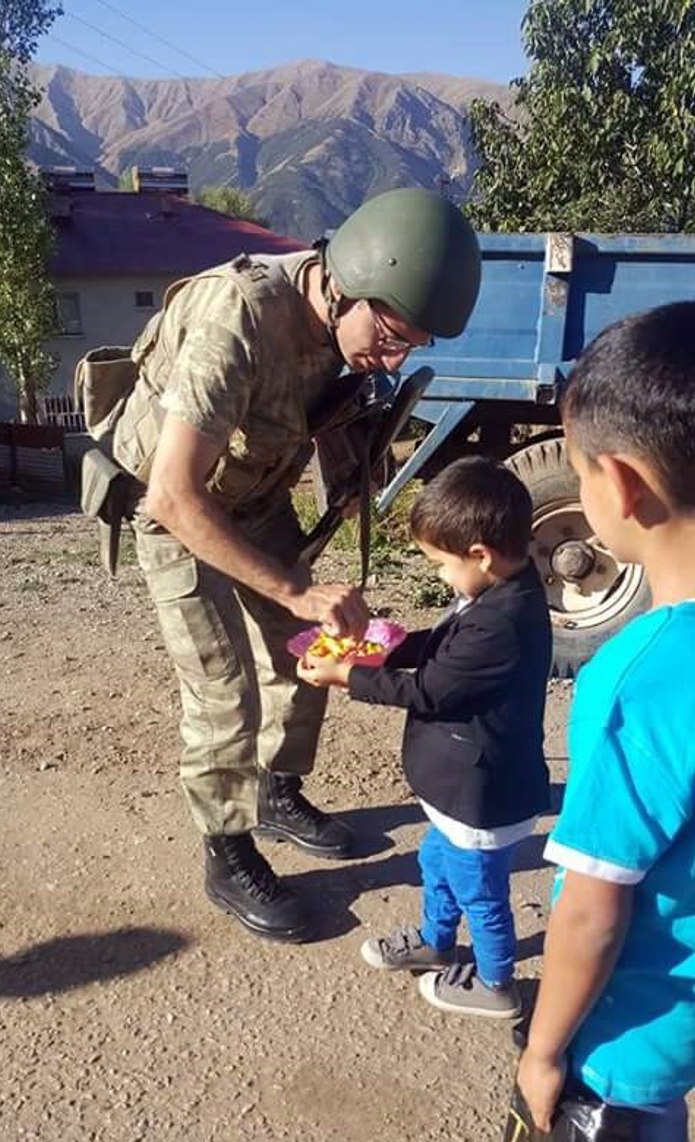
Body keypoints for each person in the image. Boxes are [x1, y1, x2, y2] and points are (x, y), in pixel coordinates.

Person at [107, 187, 482, 944]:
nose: (394, 355)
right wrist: (293, 587)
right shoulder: (236, 319)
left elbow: (317, 416)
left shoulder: (347, 326)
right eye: (389, 333)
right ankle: (227, 849)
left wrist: (348, 480)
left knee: (312, 649)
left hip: (256, 500)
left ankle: (277, 792)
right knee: (224, 690)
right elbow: (174, 494)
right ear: (345, 282)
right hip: (176, 511)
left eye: (412, 345)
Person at [517, 302, 695, 1140]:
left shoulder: (635, 680)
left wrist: (543, 1052)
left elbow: (591, 911)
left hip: (628, 1054)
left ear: (619, 485)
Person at [298, 456, 552, 1015]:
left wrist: (349, 676)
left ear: (480, 555)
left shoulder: (502, 622)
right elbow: (445, 653)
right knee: (436, 865)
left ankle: (496, 982)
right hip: (457, 795)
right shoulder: (497, 591)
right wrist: (385, 648)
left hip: (481, 797)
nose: (438, 575)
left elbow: (429, 690)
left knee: (481, 894)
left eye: (439, 565)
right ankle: (436, 942)